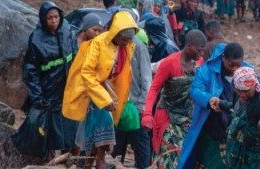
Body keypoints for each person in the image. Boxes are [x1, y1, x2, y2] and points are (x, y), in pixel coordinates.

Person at [63, 11, 138, 169]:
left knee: (99, 128)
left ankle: (92, 162)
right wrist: (104, 98)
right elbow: (87, 73)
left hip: (105, 90)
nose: (125, 42)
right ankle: (96, 162)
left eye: (128, 40)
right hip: (89, 90)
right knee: (98, 125)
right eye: (123, 39)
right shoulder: (98, 43)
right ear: (115, 32)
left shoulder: (127, 47)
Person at [178, 42, 252, 169]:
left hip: (237, 129)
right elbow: (195, 91)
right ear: (223, 58)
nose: (235, 69)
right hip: (212, 125)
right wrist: (210, 99)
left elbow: (257, 95)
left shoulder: (248, 73)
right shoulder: (206, 70)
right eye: (231, 65)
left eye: (237, 65)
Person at [18, 1, 78, 157]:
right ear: (43, 19)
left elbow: (74, 53)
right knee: (48, 124)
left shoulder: (66, 29)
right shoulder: (36, 38)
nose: (54, 21)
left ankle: (67, 155)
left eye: (56, 17)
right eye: (49, 18)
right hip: (48, 87)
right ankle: (47, 155)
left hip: (67, 86)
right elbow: (30, 69)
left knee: (69, 123)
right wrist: (37, 94)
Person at [141, 30, 207, 169]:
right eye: (198, 50)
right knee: (170, 153)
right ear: (189, 46)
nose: (200, 54)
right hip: (168, 115)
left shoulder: (199, 63)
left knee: (187, 157)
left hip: (187, 117)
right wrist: (147, 114)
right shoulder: (169, 63)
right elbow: (154, 89)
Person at [110, 9, 153, 169]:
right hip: (116, 104)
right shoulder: (112, 43)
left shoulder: (137, 46)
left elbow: (146, 78)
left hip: (134, 105)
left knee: (140, 143)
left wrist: (143, 105)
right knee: (115, 142)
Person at [226, 67, 260, 169]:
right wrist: (221, 103)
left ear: (254, 85)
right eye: (239, 90)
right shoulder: (237, 94)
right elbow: (234, 106)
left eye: (246, 91)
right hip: (241, 147)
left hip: (257, 154)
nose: (242, 94)